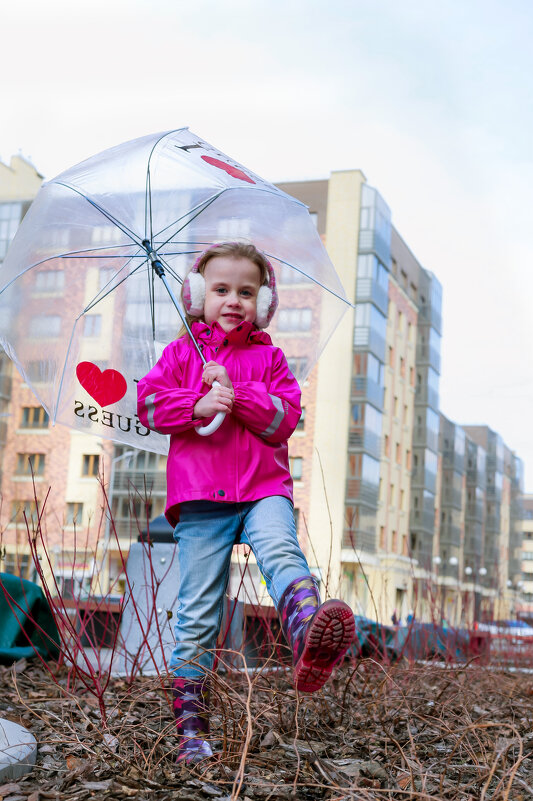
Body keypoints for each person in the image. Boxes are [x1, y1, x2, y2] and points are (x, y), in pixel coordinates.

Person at [137, 242, 355, 764]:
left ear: (265, 301)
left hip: (263, 489)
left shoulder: (271, 358)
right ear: (196, 295)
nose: (233, 300)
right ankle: (192, 724)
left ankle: (308, 634)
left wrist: (237, 393)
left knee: (281, 550)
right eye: (221, 290)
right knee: (197, 611)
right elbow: (147, 402)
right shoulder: (181, 354)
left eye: (246, 291)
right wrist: (196, 402)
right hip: (200, 496)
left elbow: (285, 420)